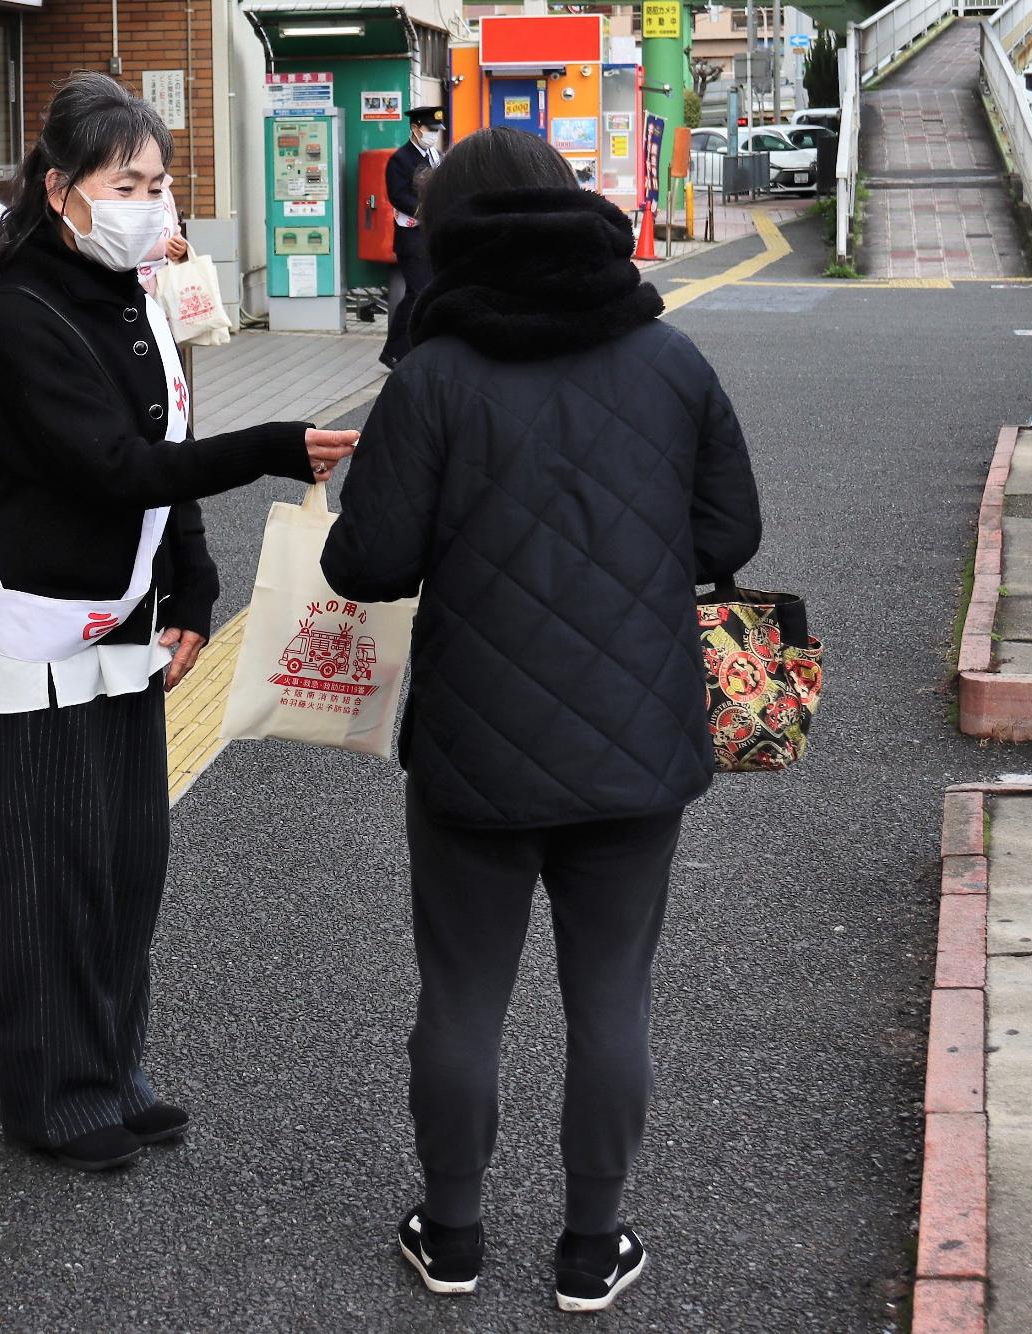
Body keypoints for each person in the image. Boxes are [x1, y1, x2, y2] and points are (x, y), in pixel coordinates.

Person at [320, 127, 762, 1313]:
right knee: (611, 995)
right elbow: (728, 535)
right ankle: (589, 1245)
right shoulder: (668, 360)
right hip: (638, 738)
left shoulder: (432, 377)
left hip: (474, 746)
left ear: (451, 235)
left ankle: (452, 1233)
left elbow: (364, 564)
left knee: (460, 994)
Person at [0, 72, 359, 1173]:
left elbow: (163, 455)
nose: (151, 201)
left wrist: (191, 590)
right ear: (59, 190)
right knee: (51, 868)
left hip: (129, 617)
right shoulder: (21, 313)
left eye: (159, 180)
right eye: (125, 181)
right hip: (44, 627)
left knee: (127, 857)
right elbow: (115, 466)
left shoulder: (134, 287)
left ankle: (111, 1068)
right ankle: (51, 1092)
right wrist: (274, 445)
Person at [378, 106, 444, 370]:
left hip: (430, 236)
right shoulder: (400, 159)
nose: (434, 136)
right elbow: (398, 196)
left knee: (427, 292)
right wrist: (427, 210)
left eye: (437, 131)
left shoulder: (436, 156)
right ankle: (394, 352)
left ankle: (418, 346)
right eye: (430, 130)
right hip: (411, 238)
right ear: (416, 128)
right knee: (417, 293)